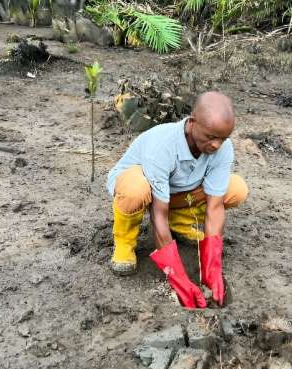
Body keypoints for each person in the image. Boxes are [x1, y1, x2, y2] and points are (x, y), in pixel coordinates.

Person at [106, 91, 248, 308]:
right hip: (142, 189)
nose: (217, 145)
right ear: (192, 123)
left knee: (236, 188)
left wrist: (212, 268)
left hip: (179, 193)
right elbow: (157, 213)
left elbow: (215, 207)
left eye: (223, 138)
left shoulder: (222, 149)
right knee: (136, 189)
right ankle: (124, 242)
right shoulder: (163, 144)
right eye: (211, 137)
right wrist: (177, 277)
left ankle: (181, 224)